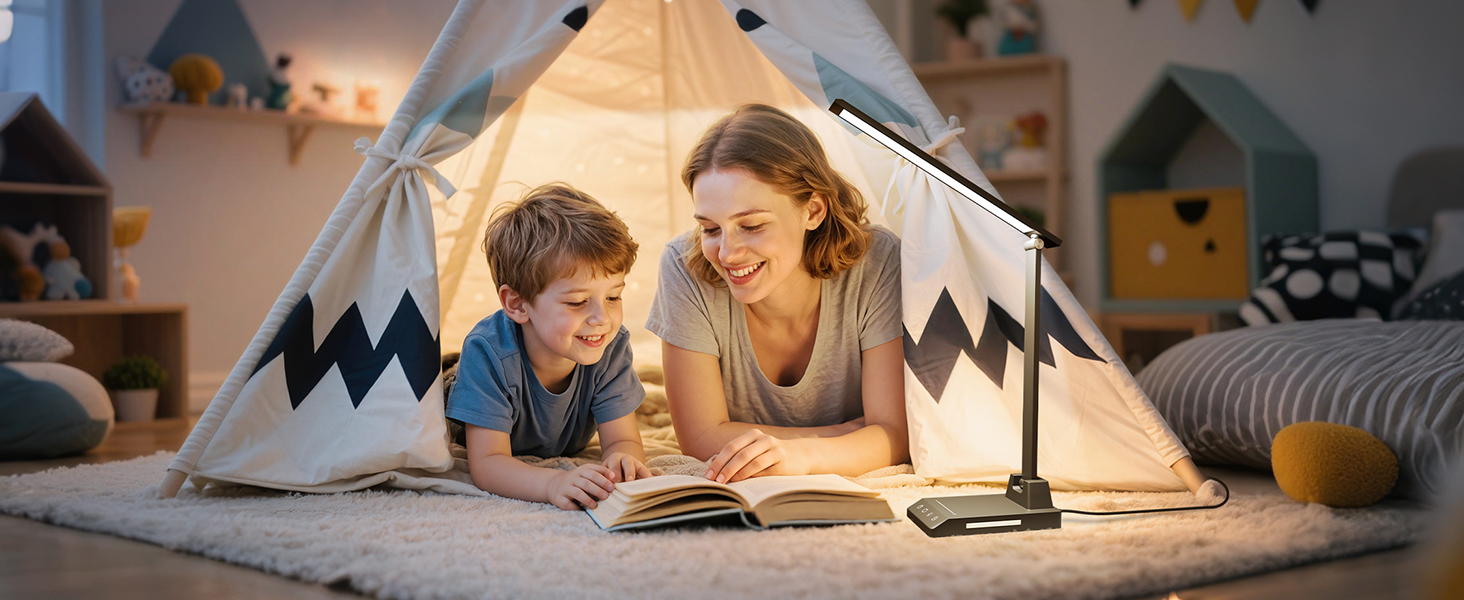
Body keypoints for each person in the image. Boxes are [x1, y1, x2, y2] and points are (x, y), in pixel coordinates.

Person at [646, 104, 907, 484]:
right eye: (710, 229)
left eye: (751, 226)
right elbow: (700, 439)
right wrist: (847, 435)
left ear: (813, 211)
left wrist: (803, 456)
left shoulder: (877, 263)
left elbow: (895, 435)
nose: (727, 254)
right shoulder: (683, 266)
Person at [447, 184, 649, 510]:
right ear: (518, 304)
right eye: (578, 302)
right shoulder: (488, 352)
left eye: (613, 296)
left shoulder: (610, 346)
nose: (602, 318)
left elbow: (623, 440)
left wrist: (624, 461)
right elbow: (487, 464)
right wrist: (552, 482)